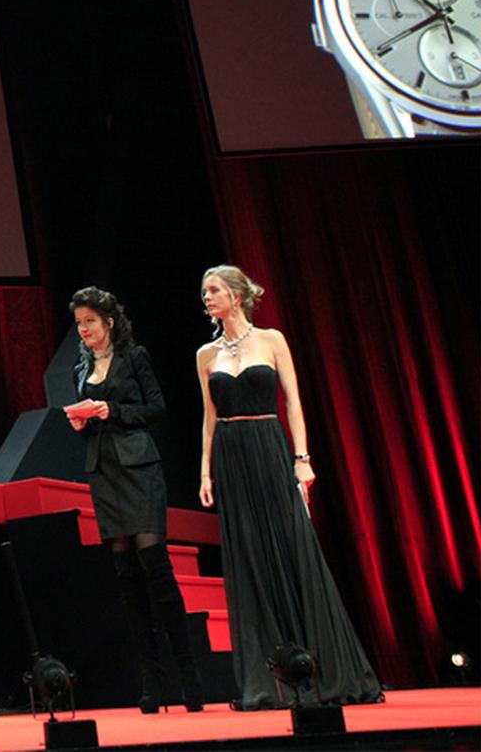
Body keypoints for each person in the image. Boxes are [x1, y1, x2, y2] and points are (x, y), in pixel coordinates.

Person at [195, 265, 382, 710]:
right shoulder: (205, 354)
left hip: (269, 446)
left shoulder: (271, 339)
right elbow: (208, 417)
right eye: (204, 293)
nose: (207, 298)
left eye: (214, 290)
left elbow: (293, 400)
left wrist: (303, 459)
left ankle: (324, 667)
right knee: (251, 556)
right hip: (231, 453)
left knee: (294, 546)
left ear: (236, 296)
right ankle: (270, 678)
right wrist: (205, 472)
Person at [65, 287, 204, 713]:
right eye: (79, 324)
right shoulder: (81, 367)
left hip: (140, 469)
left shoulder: (135, 357)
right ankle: (152, 682)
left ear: (108, 321)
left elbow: (157, 409)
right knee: (127, 579)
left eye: (89, 321)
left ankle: (190, 679)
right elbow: (87, 423)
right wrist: (81, 422)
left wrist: (114, 411)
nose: (84, 330)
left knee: (155, 567)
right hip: (105, 472)